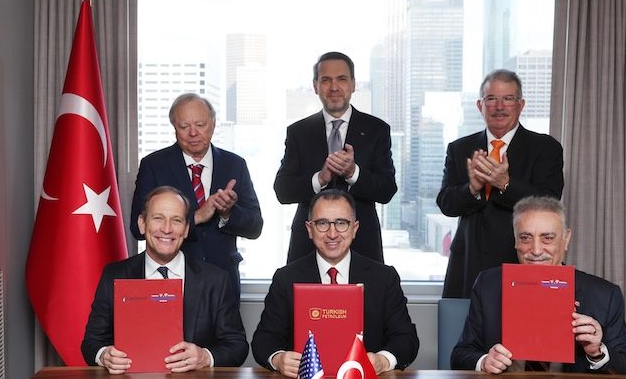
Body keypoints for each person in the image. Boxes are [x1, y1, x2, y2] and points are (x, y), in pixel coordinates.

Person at [450, 196, 626, 378]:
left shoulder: (605, 295)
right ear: (515, 240)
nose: (536, 250)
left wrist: (597, 352)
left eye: (547, 238)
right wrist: (484, 361)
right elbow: (460, 355)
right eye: (525, 238)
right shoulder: (488, 285)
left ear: (566, 239)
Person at [251, 189, 419, 377]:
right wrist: (278, 359)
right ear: (309, 229)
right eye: (322, 223)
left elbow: (406, 339)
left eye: (341, 223)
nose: (332, 233)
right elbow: (264, 340)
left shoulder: (384, 277)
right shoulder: (286, 278)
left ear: (354, 229)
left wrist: (383, 360)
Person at [81, 186, 248, 374]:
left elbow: (237, 347)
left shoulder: (216, 280)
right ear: (142, 224)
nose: (167, 229)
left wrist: (205, 356)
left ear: (186, 229)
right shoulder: (114, 274)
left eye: (176, 220)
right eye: (158, 218)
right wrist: (104, 355)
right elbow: (91, 342)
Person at [437, 69, 564, 298]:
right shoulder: (459, 148)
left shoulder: (545, 148)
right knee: (462, 331)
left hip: (521, 262)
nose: (499, 107)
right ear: (480, 105)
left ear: (521, 104)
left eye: (508, 99)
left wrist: (505, 184)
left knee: (521, 331)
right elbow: (446, 204)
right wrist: (472, 188)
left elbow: (550, 203)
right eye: (492, 99)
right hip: (468, 266)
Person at [130, 93, 263, 301]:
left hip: (223, 279)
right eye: (184, 127)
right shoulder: (154, 165)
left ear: (213, 123)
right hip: (170, 280)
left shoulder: (234, 164)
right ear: (174, 127)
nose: (193, 133)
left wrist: (227, 213)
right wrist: (197, 216)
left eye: (200, 124)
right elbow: (136, 227)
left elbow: (255, 227)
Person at [274, 51, 397, 263]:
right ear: (315, 86)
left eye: (341, 79)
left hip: (362, 245)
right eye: (325, 80)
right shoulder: (298, 132)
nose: (334, 87)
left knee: (365, 297)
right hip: (307, 247)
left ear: (353, 84)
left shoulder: (377, 130)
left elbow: (387, 190)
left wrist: (353, 173)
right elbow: (283, 191)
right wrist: (319, 179)